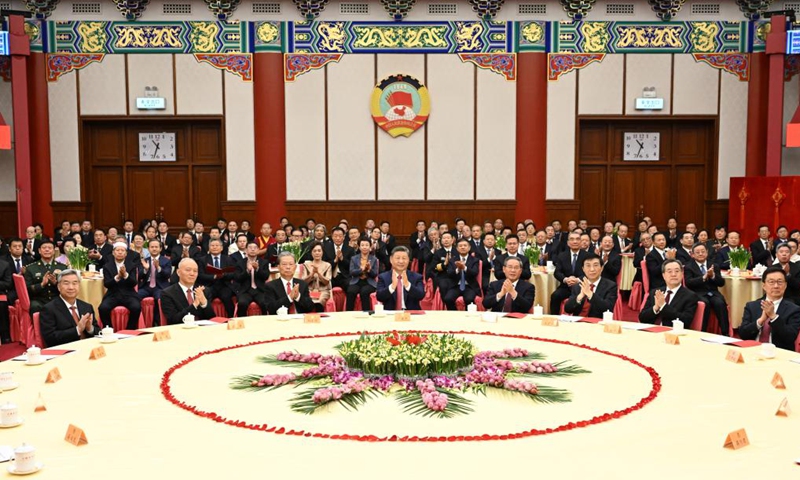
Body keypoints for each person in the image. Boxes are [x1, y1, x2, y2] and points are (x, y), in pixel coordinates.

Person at [739, 266, 800, 351]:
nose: (776, 286)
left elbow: (790, 338)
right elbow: (742, 334)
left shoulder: (794, 309)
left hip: (779, 354)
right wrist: (760, 321)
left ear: (785, 285)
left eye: (780, 282)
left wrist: (773, 317)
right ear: (764, 286)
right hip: (753, 350)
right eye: (771, 282)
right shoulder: (751, 306)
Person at [39, 269, 101, 347]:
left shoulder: (87, 307)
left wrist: (90, 328)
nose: (71, 287)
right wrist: (77, 329)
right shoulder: (49, 309)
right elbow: (50, 338)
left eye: (75, 283)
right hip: (65, 352)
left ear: (79, 286)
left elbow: (98, 332)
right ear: (58, 286)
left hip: (88, 348)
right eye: (66, 283)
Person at [683, 243, 729, 333]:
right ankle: (702, 331)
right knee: (705, 303)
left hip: (713, 293)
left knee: (720, 303)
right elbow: (688, 283)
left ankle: (725, 332)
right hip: (697, 293)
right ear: (692, 255)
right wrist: (703, 277)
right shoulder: (688, 266)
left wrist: (713, 276)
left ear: (707, 253)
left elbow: (721, 283)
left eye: (703, 251)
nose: (700, 254)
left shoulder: (714, 265)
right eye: (697, 252)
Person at [639, 259, 697, 326]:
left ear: (682, 274)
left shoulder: (690, 296)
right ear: (663, 276)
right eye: (669, 271)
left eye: (677, 271)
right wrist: (656, 307)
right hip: (651, 332)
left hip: (672, 333)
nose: (673, 274)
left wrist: (663, 306)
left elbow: (685, 321)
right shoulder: (655, 292)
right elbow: (642, 318)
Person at [98, 242, 142, 330]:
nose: (120, 252)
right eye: (118, 250)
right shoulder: (107, 266)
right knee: (103, 308)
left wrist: (125, 275)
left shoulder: (132, 265)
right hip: (113, 294)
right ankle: (109, 329)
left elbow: (134, 283)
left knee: (136, 307)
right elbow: (107, 284)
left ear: (126, 254)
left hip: (129, 294)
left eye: (122, 250)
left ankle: (129, 330)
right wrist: (117, 277)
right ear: (113, 253)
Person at [161, 258, 216, 325]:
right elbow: (173, 320)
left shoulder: (204, 291)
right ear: (178, 272)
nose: (192, 274)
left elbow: (211, 318)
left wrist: (204, 303)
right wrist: (194, 305)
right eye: (188, 270)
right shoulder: (168, 293)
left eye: (195, 271)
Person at [564, 254, 618, 319]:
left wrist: (590, 294)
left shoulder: (610, 286)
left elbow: (608, 308)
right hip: (578, 322)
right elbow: (567, 309)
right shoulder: (578, 285)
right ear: (583, 269)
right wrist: (579, 296)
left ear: (602, 268)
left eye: (595, 265)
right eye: (588, 266)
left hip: (597, 323)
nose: (592, 269)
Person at [24, 240, 68, 314]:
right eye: (44, 248)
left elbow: (67, 287)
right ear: (39, 251)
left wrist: (56, 283)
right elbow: (27, 289)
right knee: (35, 306)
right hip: (39, 300)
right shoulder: (30, 268)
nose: (47, 250)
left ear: (54, 251)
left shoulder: (63, 267)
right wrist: (41, 284)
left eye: (50, 248)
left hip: (56, 298)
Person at [376, 246, 425, 310]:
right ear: (391, 259)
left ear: (408, 260)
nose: (401, 261)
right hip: (391, 315)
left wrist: (408, 285)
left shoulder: (417, 277)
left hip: (411, 315)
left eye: (404, 258)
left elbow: (421, 295)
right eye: (398, 258)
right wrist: (392, 286)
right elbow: (379, 297)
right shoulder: (383, 277)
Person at [550, 232, 587, 314]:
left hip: (582, 287)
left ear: (581, 242)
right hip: (566, 286)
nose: (575, 242)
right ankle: (554, 317)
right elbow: (557, 272)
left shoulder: (588, 256)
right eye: (572, 239)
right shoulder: (562, 255)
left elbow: (589, 274)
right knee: (555, 296)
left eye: (577, 239)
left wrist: (578, 280)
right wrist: (565, 279)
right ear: (568, 243)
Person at [198, 239, 237, 317]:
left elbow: (233, 274)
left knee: (226, 297)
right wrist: (214, 276)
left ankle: (232, 318)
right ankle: (206, 319)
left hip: (224, 285)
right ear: (209, 247)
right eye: (212, 246)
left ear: (221, 248)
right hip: (209, 285)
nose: (214, 247)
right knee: (205, 299)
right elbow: (200, 275)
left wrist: (223, 275)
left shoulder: (228, 259)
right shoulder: (202, 260)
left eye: (217, 245)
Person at [138, 239, 172, 326]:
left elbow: (167, 275)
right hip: (146, 286)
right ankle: (141, 322)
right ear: (148, 249)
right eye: (152, 247)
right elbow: (139, 276)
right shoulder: (144, 260)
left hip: (159, 286)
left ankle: (158, 321)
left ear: (160, 249)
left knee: (159, 298)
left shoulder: (166, 260)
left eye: (156, 247)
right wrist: (145, 269)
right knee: (135, 297)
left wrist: (158, 267)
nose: (154, 249)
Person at [443, 238, 481, 310]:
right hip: (455, 286)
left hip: (469, 286)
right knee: (448, 299)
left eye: (465, 245)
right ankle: (454, 316)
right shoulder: (452, 260)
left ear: (469, 248)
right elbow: (449, 274)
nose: (463, 247)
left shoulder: (475, 260)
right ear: (457, 248)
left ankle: (467, 318)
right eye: (460, 246)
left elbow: (475, 273)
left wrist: (464, 267)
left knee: (469, 299)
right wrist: (458, 269)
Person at [235, 241, 270, 316]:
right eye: (250, 248)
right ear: (246, 250)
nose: (253, 250)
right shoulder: (240, 263)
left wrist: (257, 269)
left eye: (255, 248)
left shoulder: (264, 262)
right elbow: (237, 278)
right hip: (245, 291)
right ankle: (242, 322)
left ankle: (266, 322)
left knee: (264, 303)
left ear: (258, 250)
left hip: (260, 290)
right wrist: (247, 271)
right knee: (242, 304)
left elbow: (266, 276)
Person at [347, 239, 379, 311]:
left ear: (370, 247)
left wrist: (369, 270)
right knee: (350, 291)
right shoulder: (354, 258)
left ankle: (366, 313)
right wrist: (361, 269)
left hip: (369, 282)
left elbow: (375, 274)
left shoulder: (374, 259)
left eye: (367, 245)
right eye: (362, 245)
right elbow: (351, 272)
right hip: (356, 281)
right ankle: (348, 313)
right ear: (359, 247)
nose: (364, 247)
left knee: (364, 292)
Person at [301, 241, 332, 312]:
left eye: (319, 251)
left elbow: (327, 282)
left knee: (319, 301)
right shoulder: (306, 264)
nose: (317, 253)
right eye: (314, 251)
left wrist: (318, 273)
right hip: (309, 290)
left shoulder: (327, 265)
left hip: (323, 291)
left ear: (322, 252)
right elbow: (304, 282)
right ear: (311, 253)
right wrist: (312, 274)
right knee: (307, 301)